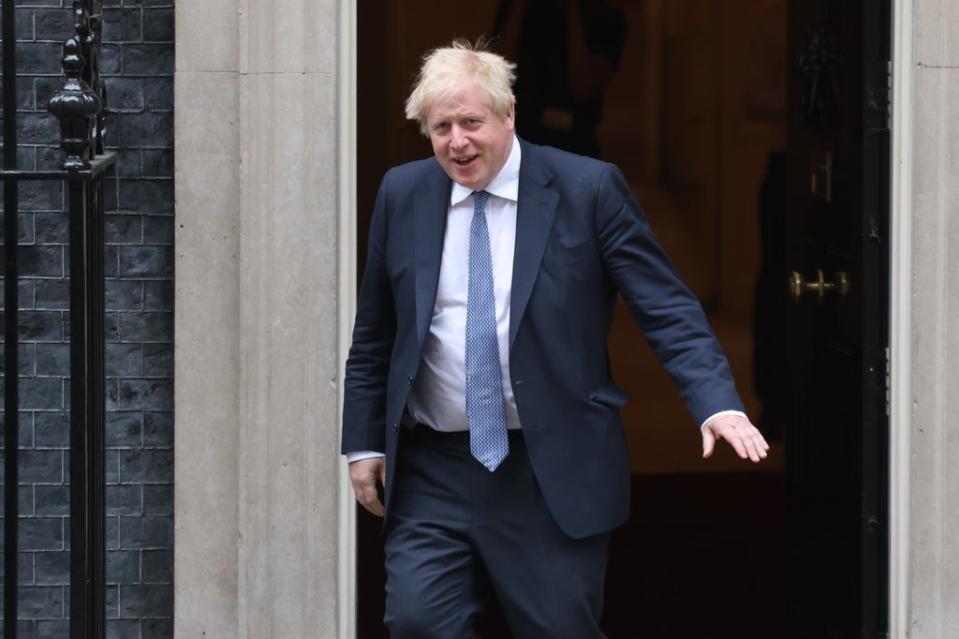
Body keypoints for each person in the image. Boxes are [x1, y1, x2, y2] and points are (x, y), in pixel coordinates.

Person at [342, 40, 769, 639]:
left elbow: (666, 307)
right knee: (416, 623)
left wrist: (715, 401)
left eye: (471, 122)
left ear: (508, 114)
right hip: (433, 465)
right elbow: (375, 332)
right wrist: (362, 442)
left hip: (547, 469)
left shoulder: (588, 189)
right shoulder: (403, 194)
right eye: (441, 128)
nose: (457, 142)